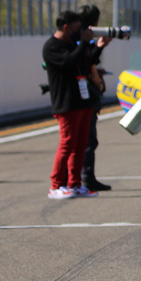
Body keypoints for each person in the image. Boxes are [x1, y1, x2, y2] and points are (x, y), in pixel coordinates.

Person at [42, 11, 98, 199]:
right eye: (76, 28)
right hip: (66, 102)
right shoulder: (52, 46)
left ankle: (75, 184)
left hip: (82, 100)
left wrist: (96, 46)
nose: (79, 32)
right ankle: (56, 185)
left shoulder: (73, 44)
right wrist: (83, 42)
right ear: (66, 28)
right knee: (67, 144)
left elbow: (85, 60)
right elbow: (69, 61)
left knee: (80, 145)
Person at [78, 4, 112, 192]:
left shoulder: (77, 39)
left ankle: (81, 178)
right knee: (87, 140)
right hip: (84, 97)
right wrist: (98, 48)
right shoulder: (81, 40)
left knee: (82, 140)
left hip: (81, 96)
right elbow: (84, 62)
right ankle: (85, 178)